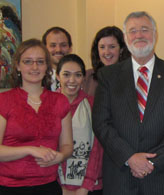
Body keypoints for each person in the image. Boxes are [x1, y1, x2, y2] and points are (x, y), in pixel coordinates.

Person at [92, 11, 164, 195]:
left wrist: (152, 161)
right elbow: (101, 123)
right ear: (125, 38)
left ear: (155, 35)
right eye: (133, 31)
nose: (138, 35)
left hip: (163, 178)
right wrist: (129, 157)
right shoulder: (108, 76)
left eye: (144, 30)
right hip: (121, 177)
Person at [0, 39, 73, 195]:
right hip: (9, 188)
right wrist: (30, 150)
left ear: (47, 66)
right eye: (28, 62)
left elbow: (67, 146)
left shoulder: (60, 101)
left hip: (48, 186)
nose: (35, 67)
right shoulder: (3, 101)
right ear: (18, 65)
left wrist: (60, 156)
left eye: (40, 62)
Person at [56, 54, 104, 195]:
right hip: (54, 183)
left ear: (84, 78)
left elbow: (98, 148)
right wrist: (61, 186)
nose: (72, 80)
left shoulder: (94, 105)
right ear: (58, 77)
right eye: (66, 74)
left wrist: (85, 185)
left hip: (90, 185)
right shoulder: (47, 104)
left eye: (77, 75)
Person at [86, 26, 131, 96]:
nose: (107, 52)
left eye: (112, 47)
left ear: (121, 49)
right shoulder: (87, 76)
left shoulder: (131, 77)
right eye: (102, 47)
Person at [42, 26, 73, 91]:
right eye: (53, 45)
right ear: (44, 49)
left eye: (63, 45)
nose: (58, 50)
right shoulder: (37, 78)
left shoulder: (80, 78)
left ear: (70, 48)